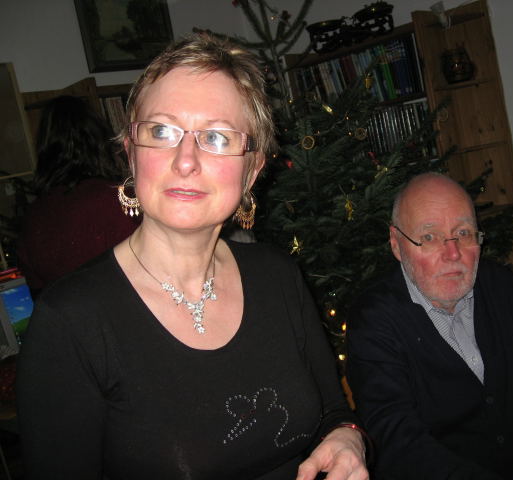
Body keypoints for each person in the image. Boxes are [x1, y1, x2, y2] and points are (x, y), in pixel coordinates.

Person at [17, 33, 369, 480]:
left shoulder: (278, 275)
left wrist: (348, 436)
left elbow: (333, 411)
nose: (186, 160)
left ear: (252, 169)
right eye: (161, 131)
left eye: (217, 137)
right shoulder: (70, 322)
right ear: (130, 152)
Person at [346, 172, 513, 480]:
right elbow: (396, 444)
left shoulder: (498, 283)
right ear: (396, 244)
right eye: (429, 237)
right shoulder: (372, 320)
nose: (453, 254)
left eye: (464, 233)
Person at [17, 95, 138, 297]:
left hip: (69, 315)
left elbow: (37, 290)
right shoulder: (117, 199)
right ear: (100, 141)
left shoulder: (33, 216)